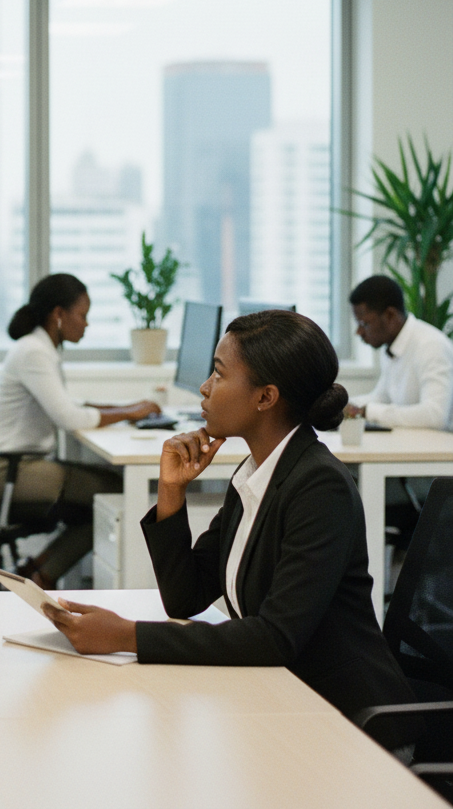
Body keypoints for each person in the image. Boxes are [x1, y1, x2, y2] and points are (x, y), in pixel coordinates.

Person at [43, 310, 415, 724]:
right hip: (282, 700)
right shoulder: (256, 472)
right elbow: (185, 597)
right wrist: (171, 490)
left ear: (265, 397)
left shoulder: (319, 487)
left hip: (351, 719)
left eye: (219, 374)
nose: (204, 387)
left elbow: (275, 638)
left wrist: (127, 635)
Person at [0, 273, 160, 588]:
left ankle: (35, 573)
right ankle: (40, 578)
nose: (86, 324)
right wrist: (129, 412)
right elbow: (69, 417)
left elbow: (69, 403)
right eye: (82, 315)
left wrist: (121, 408)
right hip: (11, 471)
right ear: (58, 314)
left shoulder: (40, 348)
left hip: (21, 465)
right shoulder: (34, 352)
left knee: (101, 499)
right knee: (113, 490)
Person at [346, 275, 453, 430]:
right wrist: (344, 406)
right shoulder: (391, 346)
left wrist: (365, 411)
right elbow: (382, 398)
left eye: (365, 323)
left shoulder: (430, 345)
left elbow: (435, 415)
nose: (359, 332)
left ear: (390, 315)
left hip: (441, 450)